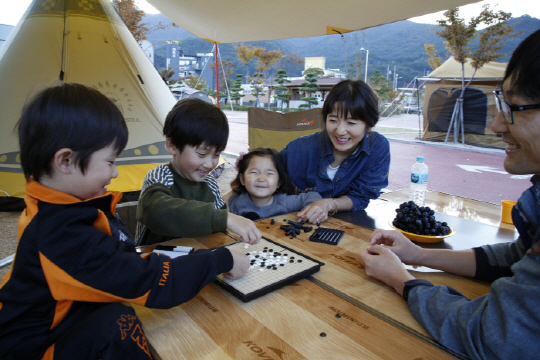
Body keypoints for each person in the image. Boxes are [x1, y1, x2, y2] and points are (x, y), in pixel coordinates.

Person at [0, 83, 250, 360]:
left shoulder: (59, 206)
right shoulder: (61, 234)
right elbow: (149, 281)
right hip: (37, 349)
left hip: (60, 319)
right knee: (119, 323)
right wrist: (218, 260)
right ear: (66, 161)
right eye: (109, 161)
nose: (115, 172)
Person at [360, 29, 540, 360]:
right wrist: (418, 255)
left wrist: (403, 280)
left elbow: (490, 336)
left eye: (513, 107)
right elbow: (519, 255)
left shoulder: (378, 147)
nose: (497, 125)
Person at [136, 98, 261, 246]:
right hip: (158, 260)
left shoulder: (209, 183)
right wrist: (225, 219)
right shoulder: (160, 176)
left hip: (200, 255)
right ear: (173, 146)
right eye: (202, 154)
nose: (210, 164)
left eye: (216, 155)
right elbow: (155, 212)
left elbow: (219, 226)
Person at [280, 79, 390, 224]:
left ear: (368, 125)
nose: (340, 131)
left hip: (346, 227)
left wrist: (328, 204)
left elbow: (362, 196)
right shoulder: (299, 149)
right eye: (333, 120)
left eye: (351, 123)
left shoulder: (377, 147)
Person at [226, 147, 322, 221]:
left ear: (279, 182)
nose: (261, 178)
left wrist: (307, 211)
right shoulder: (236, 204)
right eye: (254, 172)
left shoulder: (284, 202)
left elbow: (313, 196)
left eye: (269, 173)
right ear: (242, 179)